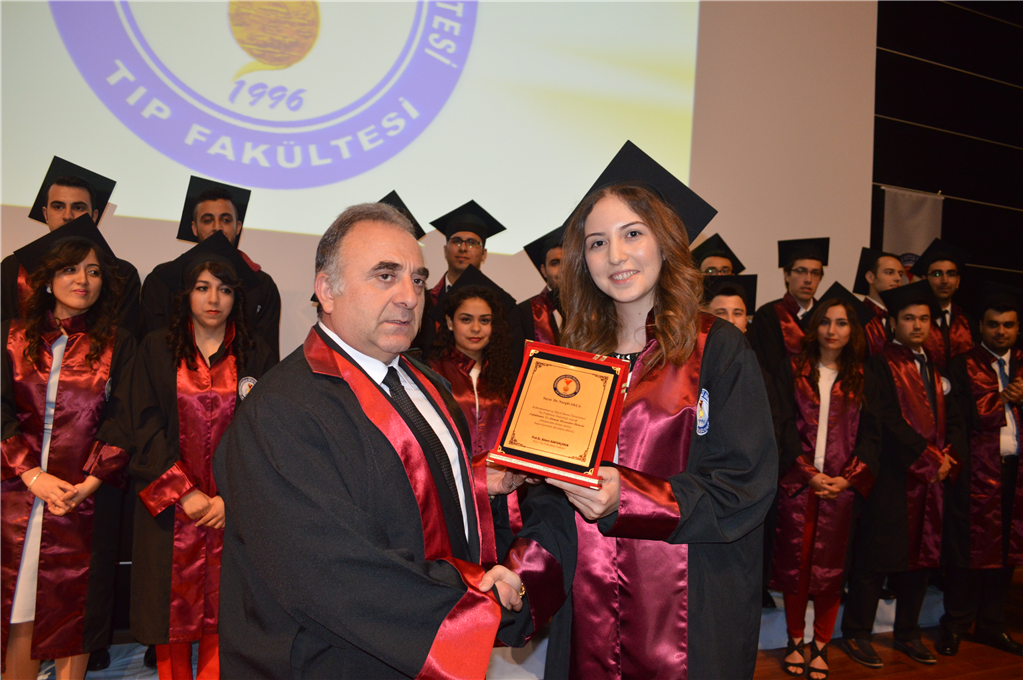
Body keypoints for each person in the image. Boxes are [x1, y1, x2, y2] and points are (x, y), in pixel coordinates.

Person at [213, 202, 575, 678]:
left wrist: (476, 482)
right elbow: (329, 570)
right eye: (385, 276)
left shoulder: (426, 384)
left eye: (418, 279)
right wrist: (477, 597)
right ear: (327, 290)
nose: (409, 296)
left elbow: (400, 491)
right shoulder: (280, 410)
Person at [550, 141, 777, 678]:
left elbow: (745, 484)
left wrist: (628, 497)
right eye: (597, 242)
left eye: (633, 234)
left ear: (665, 242)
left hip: (689, 606)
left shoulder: (716, 347)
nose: (615, 255)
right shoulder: (573, 361)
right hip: (587, 606)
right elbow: (550, 497)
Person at [128, 234, 277, 680]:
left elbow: (264, 436)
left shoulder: (256, 354)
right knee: (168, 612)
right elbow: (144, 424)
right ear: (186, 295)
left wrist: (232, 499)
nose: (214, 300)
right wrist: (184, 492)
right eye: (203, 287)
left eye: (225, 289)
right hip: (170, 508)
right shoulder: (156, 349)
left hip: (231, 511)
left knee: (225, 608)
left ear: (236, 297)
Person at [0, 225, 135, 679]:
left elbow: (124, 419)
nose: (83, 279)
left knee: (76, 606)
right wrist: (31, 475)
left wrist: (89, 484)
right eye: (71, 269)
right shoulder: (11, 337)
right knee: (20, 606)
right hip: (16, 494)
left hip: (86, 497)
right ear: (47, 279)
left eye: (93, 272)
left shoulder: (118, 344)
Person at [840, 280, 967, 668]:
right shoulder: (879, 365)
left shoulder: (937, 368)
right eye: (909, 318)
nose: (918, 325)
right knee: (875, 557)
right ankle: (858, 632)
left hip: (931, 480)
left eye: (924, 319)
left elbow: (955, 419)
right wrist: (928, 459)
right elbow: (885, 421)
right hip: (893, 478)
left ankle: (908, 632)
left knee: (923, 559)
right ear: (893, 322)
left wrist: (949, 457)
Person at [772, 284, 880, 680]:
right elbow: (783, 425)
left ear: (853, 330)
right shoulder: (792, 369)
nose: (832, 330)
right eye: (826, 323)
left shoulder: (864, 376)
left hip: (841, 488)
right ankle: (795, 639)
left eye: (842, 323)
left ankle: (821, 643)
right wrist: (806, 472)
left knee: (831, 571)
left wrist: (847, 479)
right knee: (796, 568)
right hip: (799, 483)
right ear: (815, 326)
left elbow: (872, 435)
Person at [940, 285, 1023, 657]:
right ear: (981, 327)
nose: (1001, 332)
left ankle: (992, 625)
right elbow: (955, 420)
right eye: (993, 325)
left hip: (1016, 474)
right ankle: (956, 624)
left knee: (1007, 553)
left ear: (1017, 328)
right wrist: (1002, 398)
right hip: (975, 474)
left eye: (1008, 325)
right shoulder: (963, 365)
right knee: (967, 553)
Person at [140, 177, 281, 361]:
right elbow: (152, 349)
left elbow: (266, 357)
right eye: (207, 220)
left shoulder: (261, 285)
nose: (217, 228)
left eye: (226, 220)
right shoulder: (162, 280)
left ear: (238, 227)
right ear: (194, 228)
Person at [1, 158, 141, 339]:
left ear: (94, 216)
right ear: (45, 214)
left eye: (78, 207)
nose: (68, 216)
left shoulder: (122, 273)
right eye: (58, 207)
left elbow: (122, 341)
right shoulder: (13, 269)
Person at [430, 284, 515, 462]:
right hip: (452, 472)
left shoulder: (506, 376)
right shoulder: (431, 372)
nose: (476, 328)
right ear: (450, 323)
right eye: (466, 320)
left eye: (484, 321)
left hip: (499, 474)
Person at [748, 238, 830, 377]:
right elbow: (769, 368)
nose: (808, 279)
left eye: (815, 273)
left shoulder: (827, 315)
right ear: (787, 275)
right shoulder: (768, 315)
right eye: (801, 271)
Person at [911, 238, 974, 369]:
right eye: (937, 274)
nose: (945, 280)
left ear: (958, 281)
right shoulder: (911, 321)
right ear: (924, 280)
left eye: (950, 274)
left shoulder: (968, 322)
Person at [853, 247, 903, 355]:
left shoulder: (900, 318)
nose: (898, 278)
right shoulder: (856, 316)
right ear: (870, 277)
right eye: (889, 272)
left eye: (900, 274)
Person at [519, 227, 564, 346]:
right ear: (544, 270)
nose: (563, 270)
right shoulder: (525, 313)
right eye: (555, 263)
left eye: (568, 262)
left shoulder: (593, 309)